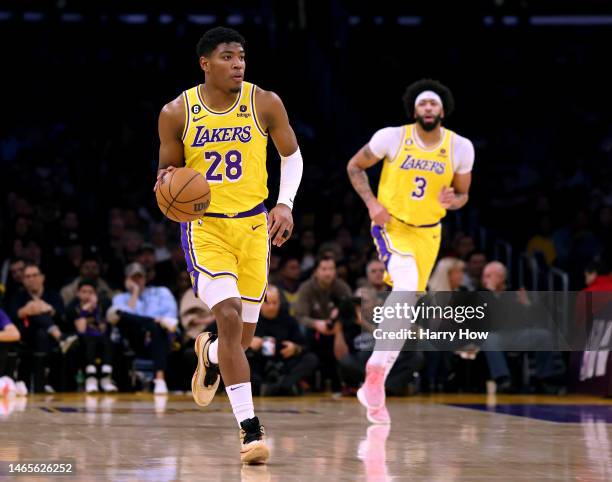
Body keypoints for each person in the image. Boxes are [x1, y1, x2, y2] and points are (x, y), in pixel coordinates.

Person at [155, 26, 303, 464]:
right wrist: (167, 183)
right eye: (227, 56)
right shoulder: (177, 111)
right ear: (205, 63)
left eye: (241, 56)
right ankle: (250, 432)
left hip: (255, 226)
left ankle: (209, 350)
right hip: (206, 229)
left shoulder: (265, 101)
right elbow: (166, 171)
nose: (238, 63)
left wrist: (285, 204)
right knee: (229, 315)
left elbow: (290, 156)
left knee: (241, 339)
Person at [347, 79, 474, 423]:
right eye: (422, 103)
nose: (428, 108)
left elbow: (463, 193)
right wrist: (372, 203)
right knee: (404, 287)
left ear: (442, 110)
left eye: (433, 103)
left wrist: (455, 200)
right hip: (392, 226)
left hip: (429, 234)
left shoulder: (460, 147)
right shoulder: (392, 137)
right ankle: (375, 366)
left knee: (408, 301)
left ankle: (376, 383)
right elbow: (354, 166)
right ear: (414, 110)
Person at [108, 262, 178, 394]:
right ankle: (152, 322)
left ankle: (159, 379)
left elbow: (171, 318)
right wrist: (134, 293)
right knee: (121, 316)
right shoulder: (120, 298)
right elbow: (123, 318)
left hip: (159, 336)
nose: (137, 281)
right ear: (127, 280)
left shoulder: (161, 292)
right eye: (133, 278)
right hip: (134, 338)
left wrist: (154, 324)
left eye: (139, 277)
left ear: (145, 278)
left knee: (158, 327)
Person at [9, 263, 72, 392]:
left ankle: (43, 379)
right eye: (27, 276)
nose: (31, 279)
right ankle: (60, 338)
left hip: (45, 337)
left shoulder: (53, 294)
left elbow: (64, 316)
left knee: (41, 331)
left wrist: (50, 309)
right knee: (36, 311)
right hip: (25, 335)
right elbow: (10, 317)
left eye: (34, 275)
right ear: (23, 280)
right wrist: (26, 310)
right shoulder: (17, 296)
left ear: (42, 277)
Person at [294, 255, 352, 391]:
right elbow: (300, 316)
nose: (328, 272)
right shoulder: (306, 288)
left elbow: (352, 312)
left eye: (331, 269)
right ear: (316, 271)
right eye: (324, 269)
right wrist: (316, 324)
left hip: (338, 329)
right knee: (302, 331)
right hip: (314, 330)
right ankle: (309, 380)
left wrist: (339, 321)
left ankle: (345, 381)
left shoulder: (342, 287)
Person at [250, 286, 317, 396]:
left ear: (280, 303)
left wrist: (295, 348)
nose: (272, 307)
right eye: (267, 303)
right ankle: (279, 388)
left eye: (275, 303)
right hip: (259, 365)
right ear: (260, 303)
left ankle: (282, 386)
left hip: (283, 365)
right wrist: (249, 344)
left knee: (311, 358)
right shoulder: (250, 320)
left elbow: (305, 346)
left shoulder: (288, 320)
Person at [65, 279, 117, 393]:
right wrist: (84, 311)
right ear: (78, 293)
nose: (87, 295)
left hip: (101, 339)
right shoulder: (73, 308)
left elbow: (103, 328)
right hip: (81, 341)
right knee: (89, 339)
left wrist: (96, 311)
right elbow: (81, 330)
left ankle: (105, 378)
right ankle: (91, 378)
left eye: (90, 292)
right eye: (84, 291)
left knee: (107, 340)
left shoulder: (102, 306)